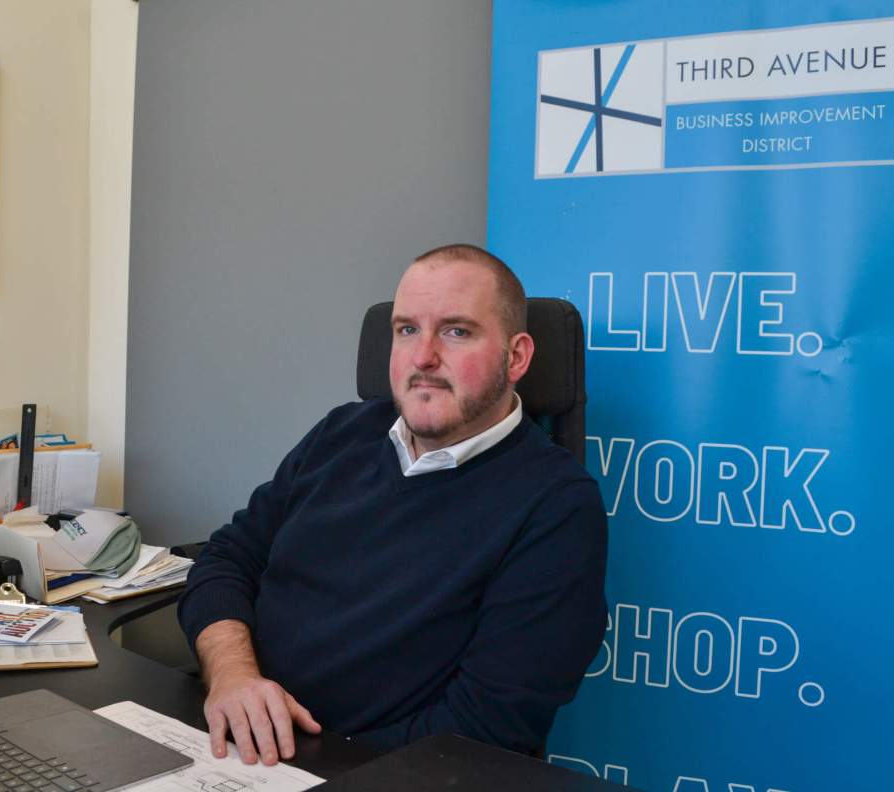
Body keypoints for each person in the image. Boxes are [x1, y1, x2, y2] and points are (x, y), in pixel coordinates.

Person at [179, 244, 607, 766]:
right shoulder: (343, 432)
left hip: (358, 774)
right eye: (406, 329)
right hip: (235, 744)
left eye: (456, 331)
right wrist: (233, 675)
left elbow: (484, 730)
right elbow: (226, 559)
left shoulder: (556, 506)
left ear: (516, 357)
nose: (423, 356)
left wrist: (301, 766)